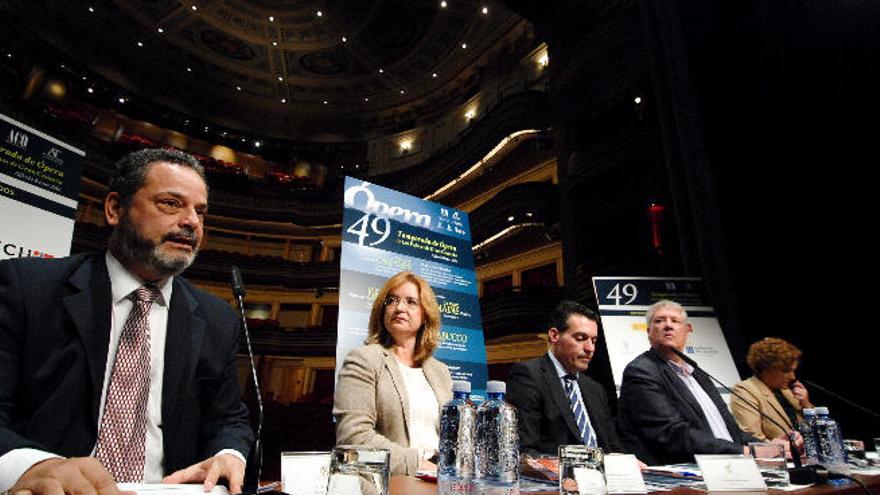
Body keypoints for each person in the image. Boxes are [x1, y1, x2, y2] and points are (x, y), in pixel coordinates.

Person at [0, 148, 253, 495]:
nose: (192, 222)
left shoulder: (217, 318)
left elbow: (228, 417)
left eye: (200, 211)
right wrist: (35, 467)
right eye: (170, 204)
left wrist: (228, 454)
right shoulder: (28, 289)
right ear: (115, 209)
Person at [617, 300, 765, 465]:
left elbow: (730, 430)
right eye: (659, 321)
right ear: (648, 332)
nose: (667, 325)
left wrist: (765, 447)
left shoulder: (698, 373)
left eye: (675, 321)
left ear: (687, 330)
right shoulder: (642, 371)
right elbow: (672, 433)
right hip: (692, 471)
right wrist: (743, 452)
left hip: (735, 463)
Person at [333, 272, 453, 475]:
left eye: (411, 302)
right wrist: (419, 465)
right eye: (392, 301)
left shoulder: (440, 371)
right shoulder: (363, 359)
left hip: (441, 477)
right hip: (389, 481)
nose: (400, 308)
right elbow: (353, 439)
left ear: (425, 315)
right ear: (383, 311)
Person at [507, 301, 624, 457]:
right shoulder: (528, 376)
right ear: (554, 336)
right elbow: (524, 450)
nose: (590, 348)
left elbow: (613, 447)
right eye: (581, 338)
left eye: (593, 341)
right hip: (558, 478)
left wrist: (628, 463)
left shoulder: (595, 389)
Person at [731, 337, 813, 441]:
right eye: (786, 371)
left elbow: (818, 432)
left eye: (793, 371)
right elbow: (753, 438)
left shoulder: (788, 391)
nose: (793, 377)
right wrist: (785, 449)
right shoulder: (744, 391)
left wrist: (806, 404)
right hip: (781, 456)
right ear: (766, 369)